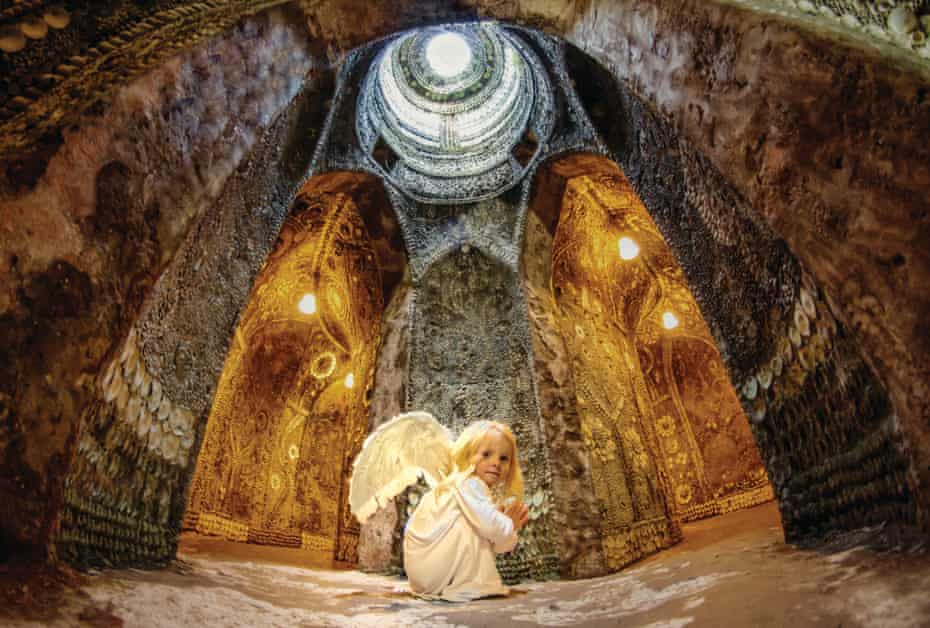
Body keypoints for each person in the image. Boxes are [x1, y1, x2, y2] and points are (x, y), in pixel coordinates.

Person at [402, 420, 530, 602]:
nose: (495, 463)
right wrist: (509, 524)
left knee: (476, 525)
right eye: (486, 455)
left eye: (504, 458)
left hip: (425, 572)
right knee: (471, 526)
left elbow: (498, 544)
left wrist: (509, 527)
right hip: (434, 568)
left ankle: (461, 580)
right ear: (468, 456)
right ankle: (468, 583)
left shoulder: (471, 489)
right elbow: (491, 527)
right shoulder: (468, 483)